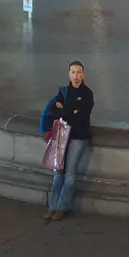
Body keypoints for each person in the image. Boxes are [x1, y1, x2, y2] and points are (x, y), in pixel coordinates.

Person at [44, 61, 94, 222]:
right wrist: (70, 111)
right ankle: (52, 206)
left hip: (79, 137)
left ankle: (62, 207)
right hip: (63, 136)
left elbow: (81, 116)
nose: (76, 75)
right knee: (58, 172)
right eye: (73, 72)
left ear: (83, 74)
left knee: (70, 173)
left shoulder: (87, 94)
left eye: (79, 72)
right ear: (69, 74)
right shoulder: (63, 92)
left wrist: (64, 112)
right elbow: (53, 111)